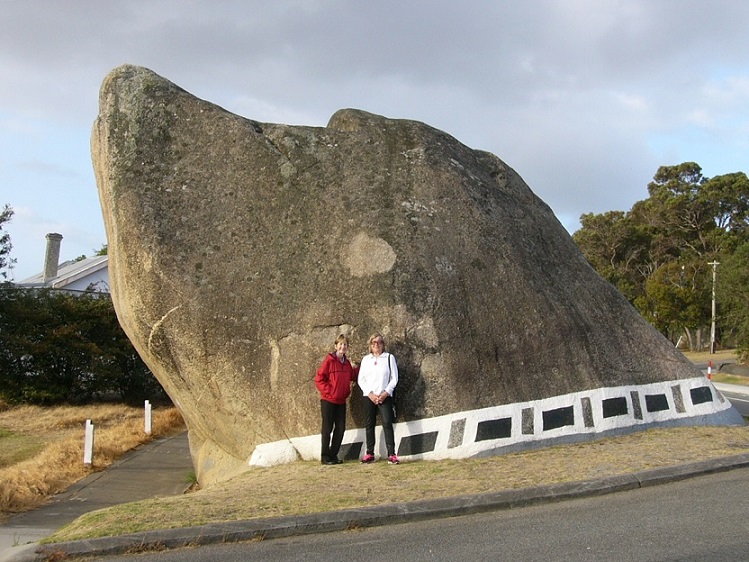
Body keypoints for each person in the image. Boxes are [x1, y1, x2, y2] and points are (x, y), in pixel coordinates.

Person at [315, 334, 358, 465]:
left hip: (341, 401)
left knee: (340, 428)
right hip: (328, 400)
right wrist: (330, 392)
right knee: (327, 428)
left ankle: (333, 455)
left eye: (345, 344)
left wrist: (364, 366)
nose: (342, 347)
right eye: (340, 344)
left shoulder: (346, 364)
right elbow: (319, 379)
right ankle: (325, 456)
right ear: (336, 346)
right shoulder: (329, 361)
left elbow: (353, 376)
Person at [357, 333, 400, 464]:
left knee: (387, 423)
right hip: (369, 396)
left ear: (383, 344)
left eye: (379, 342)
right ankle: (370, 453)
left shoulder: (389, 358)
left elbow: (394, 378)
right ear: (370, 345)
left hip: (384, 396)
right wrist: (370, 394)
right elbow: (361, 379)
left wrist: (385, 393)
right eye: (374, 342)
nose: (376, 344)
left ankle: (391, 454)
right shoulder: (366, 359)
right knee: (369, 424)